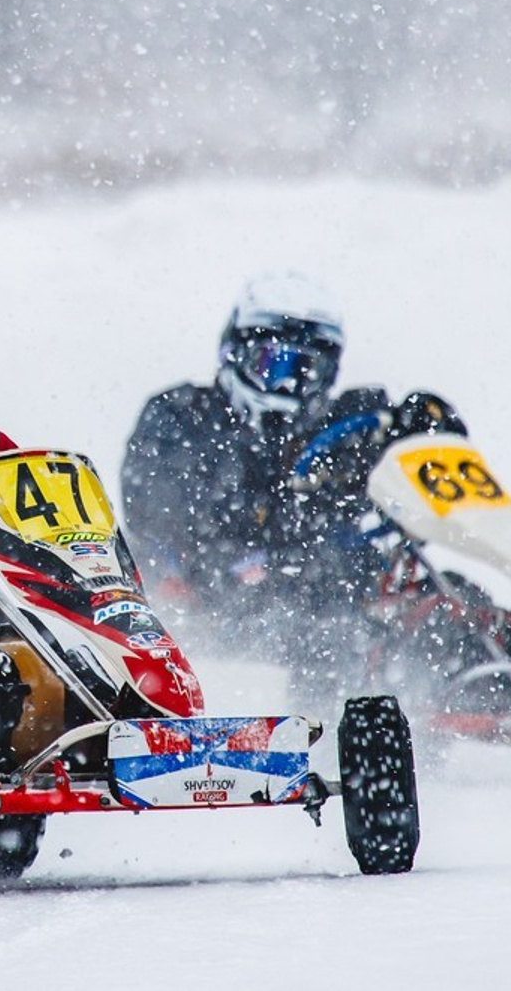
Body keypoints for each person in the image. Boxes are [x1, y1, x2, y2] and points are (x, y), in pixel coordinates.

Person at [120, 271, 485, 707]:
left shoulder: (348, 425)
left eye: (307, 371)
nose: (289, 387)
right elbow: (159, 516)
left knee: (456, 603)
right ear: (234, 354)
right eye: (273, 365)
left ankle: (478, 683)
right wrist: (281, 540)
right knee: (324, 627)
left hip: (338, 595)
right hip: (216, 602)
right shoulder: (182, 419)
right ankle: (335, 731)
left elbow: (425, 460)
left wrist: (424, 427)